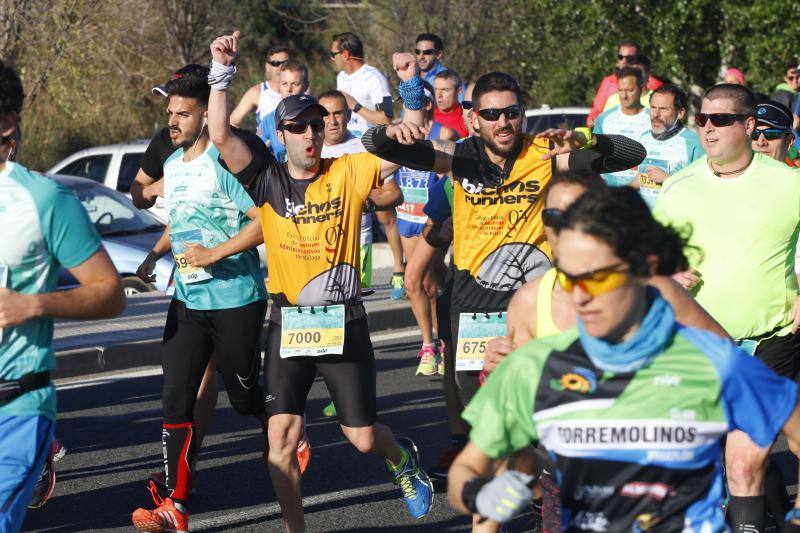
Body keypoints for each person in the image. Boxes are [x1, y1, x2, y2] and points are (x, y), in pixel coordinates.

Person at [448, 185, 800, 531]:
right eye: (570, 280)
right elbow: (468, 469)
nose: (580, 297)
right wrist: (488, 495)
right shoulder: (536, 364)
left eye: (597, 278)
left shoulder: (711, 360)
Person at [207, 31, 434, 531]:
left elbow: (412, 136)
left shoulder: (349, 170)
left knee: (362, 438)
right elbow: (221, 134)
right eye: (298, 127)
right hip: (288, 322)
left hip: (343, 321)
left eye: (316, 124)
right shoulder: (266, 178)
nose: (310, 134)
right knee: (280, 441)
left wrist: (412, 88)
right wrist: (221, 72)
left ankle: (403, 461)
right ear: (280, 134)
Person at [364, 70, 646, 445]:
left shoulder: (546, 155)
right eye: (492, 114)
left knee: (543, 412)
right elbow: (375, 145)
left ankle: (542, 495)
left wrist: (586, 138)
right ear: (475, 119)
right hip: (473, 306)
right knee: (487, 426)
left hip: (535, 303)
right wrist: (388, 132)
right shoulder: (458, 156)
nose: (503, 122)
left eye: (510, 112)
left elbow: (633, 154)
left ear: (522, 114)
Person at [654, 83, 800, 532]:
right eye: (702, 119)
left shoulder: (788, 183)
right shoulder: (679, 187)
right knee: (717, 466)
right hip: (699, 345)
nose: (708, 129)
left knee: (744, 463)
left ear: (748, 124)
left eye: (720, 120)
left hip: (770, 340)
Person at [130, 69, 271, 533]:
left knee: (245, 397)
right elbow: (186, 219)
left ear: (203, 116)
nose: (171, 121)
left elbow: (264, 222)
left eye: (182, 113)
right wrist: (154, 255)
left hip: (236, 298)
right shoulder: (172, 165)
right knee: (177, 397)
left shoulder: (223, 162)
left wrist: (215, 253)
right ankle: (177, 504)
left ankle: (283, 421)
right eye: (169, 112)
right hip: (189, 300)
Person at [0, 60, 126, 531]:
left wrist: (34, 304)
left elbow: (110, 293)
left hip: (14, 407)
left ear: (7, 123)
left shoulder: (45, 199)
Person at [318, 88, 405, 417]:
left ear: (347, 115)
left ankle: (354, 391)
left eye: (338, 113)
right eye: (325, 114)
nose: (332, 120)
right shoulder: (307, 148)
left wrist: (366, 197)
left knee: (349, 321)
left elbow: (391, 193)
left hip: (356, 247)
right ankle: (340, 388)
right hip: (315, 248)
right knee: (325, 322)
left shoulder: (361, 147)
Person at [331, 32, 406, 299]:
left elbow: (387, 117)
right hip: (348, 147)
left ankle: (398, 269)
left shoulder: (373, 78)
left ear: (346, 54)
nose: (332, 60)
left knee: (385, 214)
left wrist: (357, 106)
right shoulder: (341, 78)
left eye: (334, 54)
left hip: (374, 148)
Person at [394, 97, 458, 376]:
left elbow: (453, 168)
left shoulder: (442, 135)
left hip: (433, 217)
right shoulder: (397, 136)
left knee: (431, 284)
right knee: (416, 284)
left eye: (417, 104)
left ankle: (443, 342)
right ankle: (430, 344)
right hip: (408, 218)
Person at [631, 84, 704, 208]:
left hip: (676, 219)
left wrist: (667, 179)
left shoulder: (694, 142)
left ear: (680, 113)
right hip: (643, 220)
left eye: (663, 109)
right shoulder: (642, 138)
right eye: (653, 107)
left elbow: (703, 187)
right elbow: (638, 181)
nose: (656, 114)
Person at [593, 66, 651, 187]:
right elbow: (594, 155)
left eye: (629, 90)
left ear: (641, 88)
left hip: (642, 194)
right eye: (620, 90)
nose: (624, 95)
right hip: (609, 192)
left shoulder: (653, 120)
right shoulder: (604, 119)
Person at [587, 39, 663, 127]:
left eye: (629, 58)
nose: (624, 61)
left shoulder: (656, 85)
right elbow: (593, 116)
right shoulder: (608, 83)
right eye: (620, 57)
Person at [257, 60, 309, 163]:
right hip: (280, 176)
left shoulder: (318, 115)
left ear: (306, 86)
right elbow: (256, 150)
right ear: (279, 86)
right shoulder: (268, 120)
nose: (289, 89)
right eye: (284, 84)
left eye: (295, 84)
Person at [230, 44, 290, 127]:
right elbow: (232, 122)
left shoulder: (301, 91)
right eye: (275, 63)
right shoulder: (257, 92)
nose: (281, 67)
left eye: (285, 63)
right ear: (267, 67)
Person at [432, 70, 468, 138]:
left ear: (459, 91)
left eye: (445, 90)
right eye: (436, 89)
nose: (439, 95)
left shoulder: (468, 118)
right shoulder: (428, 117)